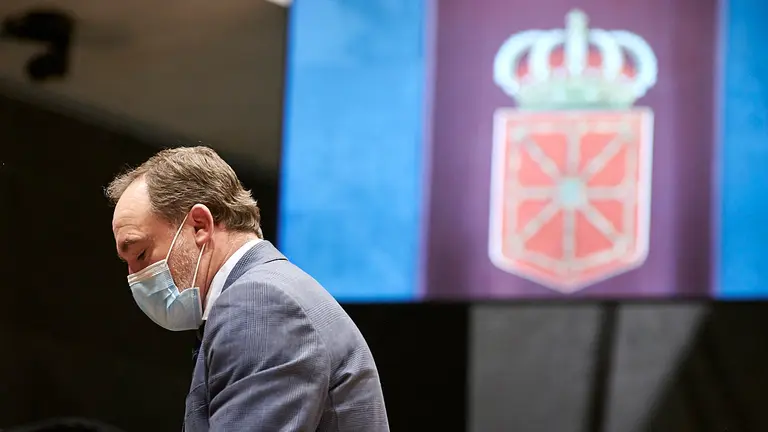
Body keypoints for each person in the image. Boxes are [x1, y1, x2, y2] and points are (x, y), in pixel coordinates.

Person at [106, 146, 389, 431]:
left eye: (140, 254)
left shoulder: (260, 304)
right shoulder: (272, 291)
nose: (134, 277)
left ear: (200, 226)